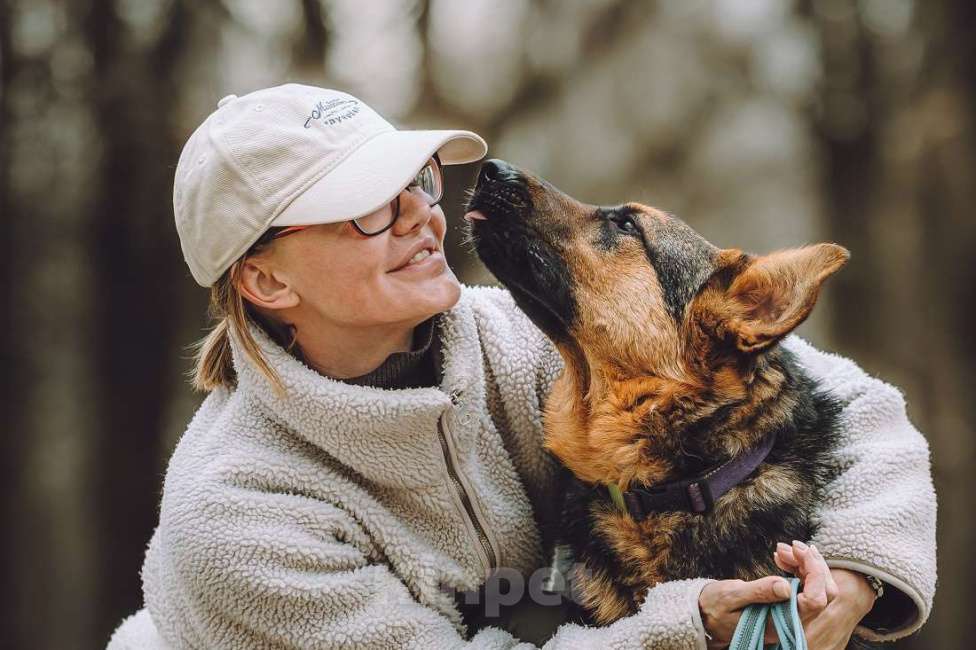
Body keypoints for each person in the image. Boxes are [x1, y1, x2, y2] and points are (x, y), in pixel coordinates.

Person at [107, 83, 936, 650]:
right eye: (364, 208)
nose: (420, 218)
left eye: (416, 182)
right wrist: (686, 629)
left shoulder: (521, 339)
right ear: (265, 279)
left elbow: (855, 406)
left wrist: (860, 574)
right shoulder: (239, 517)